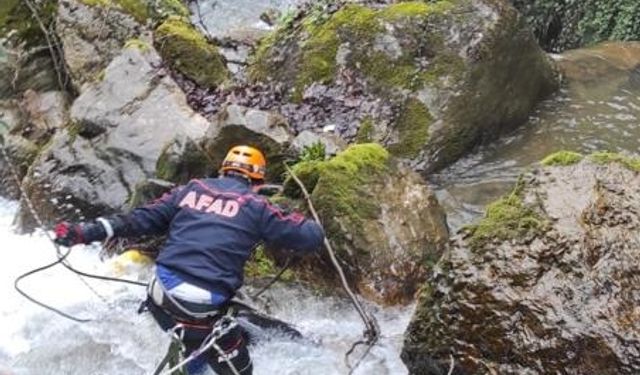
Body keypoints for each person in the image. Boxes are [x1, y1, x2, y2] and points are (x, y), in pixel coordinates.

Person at [53, 145, 325, 375]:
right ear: (258, 183)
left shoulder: (190, 190)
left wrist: (82, 233)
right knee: (239, 366)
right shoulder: (257, 207)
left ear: (222, 171)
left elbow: (136, 220)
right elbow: (311, 237)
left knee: (198, 337)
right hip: (201, 305)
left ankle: (189, 353)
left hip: (160, 295)